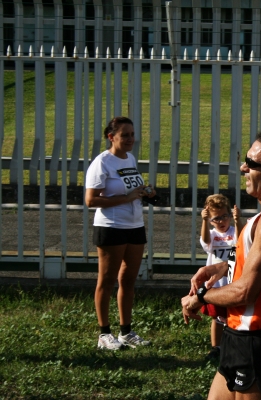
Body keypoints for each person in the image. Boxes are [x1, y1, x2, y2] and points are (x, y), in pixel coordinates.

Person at [180, 129, 261, 400]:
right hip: (240, 335)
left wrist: (200, 298)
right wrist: (221, 267)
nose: (243, 168)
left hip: (259, 340)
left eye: (251, 164)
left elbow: (245, 291)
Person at [85, 116, 156, 350]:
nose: (130, 139)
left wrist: (144, 191)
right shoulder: (102, 162)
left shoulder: (130, 158)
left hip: (134, 225)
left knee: (128, 280)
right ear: (111, 137)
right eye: (124, 135)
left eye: (132, 134)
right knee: (106, 281)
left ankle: (126, 332)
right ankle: (104, 334)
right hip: (111, 227)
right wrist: (125, 198)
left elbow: (129, 186)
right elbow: (90, 200)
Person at [199, 194, 244, 360]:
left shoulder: (233, 231)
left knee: (234, 314)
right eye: (216, 218)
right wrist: (204, 222)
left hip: (233, 280)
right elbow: (205, 242)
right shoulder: (211, 234)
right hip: (216, 284)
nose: (221, 221)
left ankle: (234, 346)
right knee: (217, 318)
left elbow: (240, 242)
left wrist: (238, 220)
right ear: (210, 220)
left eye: (224, 217)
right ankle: (215, 347)